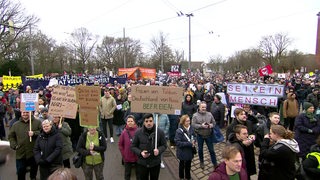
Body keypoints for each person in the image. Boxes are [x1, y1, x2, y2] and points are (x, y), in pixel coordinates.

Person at [131, 113, 167, 180]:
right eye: (146, 121)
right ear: (144, 122)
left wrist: (159, 150)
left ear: (153, 121)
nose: (148, 123)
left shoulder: (159, 132)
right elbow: (133, 146)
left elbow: (164, 145)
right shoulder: (138, 132)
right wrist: (140, 152)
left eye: (150, 121)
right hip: (142, 163)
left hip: (155, 163)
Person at [8, 111, 42, 180]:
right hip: (21, 153)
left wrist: (34, 133)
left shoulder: (37, 122)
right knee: (20, 173)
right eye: (24, 112)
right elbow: (11, 136)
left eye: (27, 112)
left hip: (33, 152)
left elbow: (43, 133)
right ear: (21, 113)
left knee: (33, 173)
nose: (25, 114)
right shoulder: (16, 125)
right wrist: (14, 145)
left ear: (31, 113)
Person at [192, 101, 218, 169]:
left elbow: (214, 123)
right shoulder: (195, 115)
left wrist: (211, 125)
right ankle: (201, 162)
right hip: (200, 135)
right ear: (199, 107)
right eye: (202, 107)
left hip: (209, 135)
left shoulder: (209, 114)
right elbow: (193, 125)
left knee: (211, 150)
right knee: (200, 150)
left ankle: (215, 163)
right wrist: (201, 126)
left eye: (205, 107)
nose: (204, 108)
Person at [174, 115, 196, 180]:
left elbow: (194, 135)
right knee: (182, 165)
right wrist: (189, 143)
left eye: (189, 121)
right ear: (183, 122)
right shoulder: (179, 131)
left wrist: (194, 140)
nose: (189, 122)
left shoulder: (191, 128)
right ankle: (181, 177)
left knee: (188, 165)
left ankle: (188, 177)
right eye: (187, 121)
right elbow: (178, 143)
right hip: (182, 152)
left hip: (189, 151)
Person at [118, 115, 139, 180]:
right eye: (128, 121)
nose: (130, 122)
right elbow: (120, 144)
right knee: (127, 174)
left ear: (134, 122)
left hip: (137, 157)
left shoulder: (139, 131)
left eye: (131, 121)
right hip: (127, 157)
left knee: (138, 174)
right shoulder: (124, 132)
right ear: (126, 122)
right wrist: (124, 154)